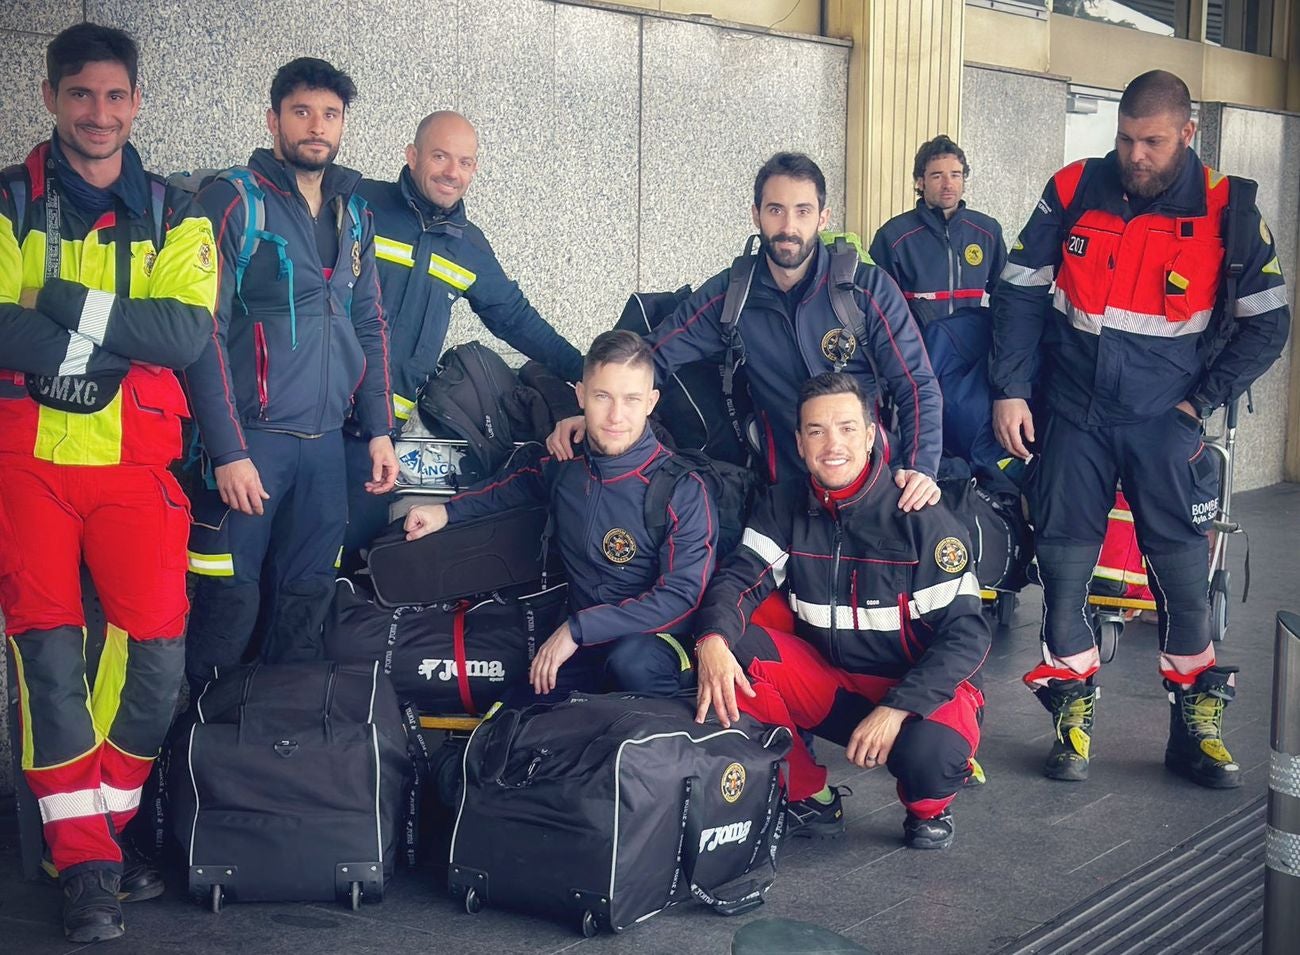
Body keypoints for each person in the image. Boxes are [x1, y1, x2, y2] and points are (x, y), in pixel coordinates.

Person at [990, 70, 1290, 787]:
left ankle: (1193, 724)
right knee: (1063, 575)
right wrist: (1010, 391)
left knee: (1184, 579)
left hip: (1165, 416)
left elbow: (1269, 323)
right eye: (1126, 139)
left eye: (1151, 141)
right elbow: (1020, 292)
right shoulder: (1072, 188)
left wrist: (1200, 403)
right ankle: (1071, 714)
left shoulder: (1230, 209)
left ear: (1187, 132)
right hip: (1072, 411)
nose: (1135, 154)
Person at [0, 23, 217, 942]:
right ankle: (89, 865)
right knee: (48, 667)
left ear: (136, 103)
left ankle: (100, 828)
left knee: (157, 662)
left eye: (115, 96)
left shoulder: (178, 209)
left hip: (138, 468)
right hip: (29, 464)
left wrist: (57, 303)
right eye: (80, 95)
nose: (99, 113)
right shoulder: (9, 200)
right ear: (50, 98)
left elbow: (183, 338)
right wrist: (113, 336)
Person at [549, 151, 943, 512]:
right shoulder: (732, 293)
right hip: (786, 489)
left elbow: (916, 384)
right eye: (776, 210)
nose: (789, 227)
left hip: (871, 483)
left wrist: (921, 468)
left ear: (823, 218)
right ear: (756, 214)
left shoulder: (866, 290)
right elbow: (653, 357)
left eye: (803, 212)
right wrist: (595, 413)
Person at [692, 373, 989, 849]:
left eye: (848, 428)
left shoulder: (921, 517)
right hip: (832, 684)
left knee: (931, 754)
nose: (833, 444)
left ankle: (928, 808)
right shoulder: (783, 503)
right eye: (817, 431)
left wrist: (896, 709)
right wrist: (711, 640)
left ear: (872, 435)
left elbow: (967, 636)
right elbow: (738, 580)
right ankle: (810, 795)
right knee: (730, 650)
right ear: (799, 441)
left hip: (918, 694)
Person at [183, 58, 397, 696]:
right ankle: (197, 756)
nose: (317, 126)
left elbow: (370, 324)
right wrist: (227, 451)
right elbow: (202, 335)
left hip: (327, 448)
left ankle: (279, 761)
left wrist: (381, 428)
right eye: (301, 111)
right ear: (273, 118)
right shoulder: (233, 199)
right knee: (229, 606)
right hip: (252, 445)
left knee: (304, 606)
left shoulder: (354, 213)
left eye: (330, 115)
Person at [404, 330, 716, 700]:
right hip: (580, 641)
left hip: (658, 646)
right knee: (511, 717)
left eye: (631, 399)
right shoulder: (568, 463)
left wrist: (578, 628)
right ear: (581, 396)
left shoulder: (681, 489)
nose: (617, 416)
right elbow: (513, 486)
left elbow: (681, 598)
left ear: (650, 402)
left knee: (630, 662)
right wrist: (445, 512)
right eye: (603, 397)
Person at [345, 111, 584, 558]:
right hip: (317, 415)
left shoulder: (469, 245)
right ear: (412, 156)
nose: (452, 172)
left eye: (465, 162)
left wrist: (586, 371)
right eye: (439, 156)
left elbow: (516, 318)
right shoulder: (360, 204)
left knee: (348, 554)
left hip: (379, 431)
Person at [869, 135, 1013, 495]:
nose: (948, 183)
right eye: (937, 175)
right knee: (922, 455)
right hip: (918, 366)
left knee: (975, 454)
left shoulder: (988, 231)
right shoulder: (895, 236)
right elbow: (876, 310)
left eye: (956, 174)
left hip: (972, 370)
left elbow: (1007, 303)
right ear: (919, 181)